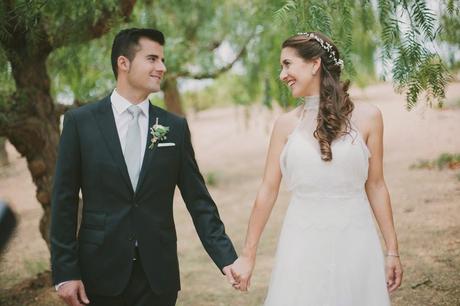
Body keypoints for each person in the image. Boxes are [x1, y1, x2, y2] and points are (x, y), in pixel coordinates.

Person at [50, 28, 237, 306]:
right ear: (123, 63)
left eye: (162, 60)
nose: (161, 67)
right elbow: (63, 200)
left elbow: (199, 201)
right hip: (99, 272)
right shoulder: (80, 123)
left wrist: (227, 258)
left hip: (158, 277)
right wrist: (65, 272)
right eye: (152, 59)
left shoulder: (174, 127)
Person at [229, 32, 403, 305]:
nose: (282, 75)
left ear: (314, 64)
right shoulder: (284, 126)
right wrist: (248, 255)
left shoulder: (370, 118)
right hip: (301, 241)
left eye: (287, 64)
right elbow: (267, 190)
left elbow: (376, 185)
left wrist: (392, 250)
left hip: (356, 239)